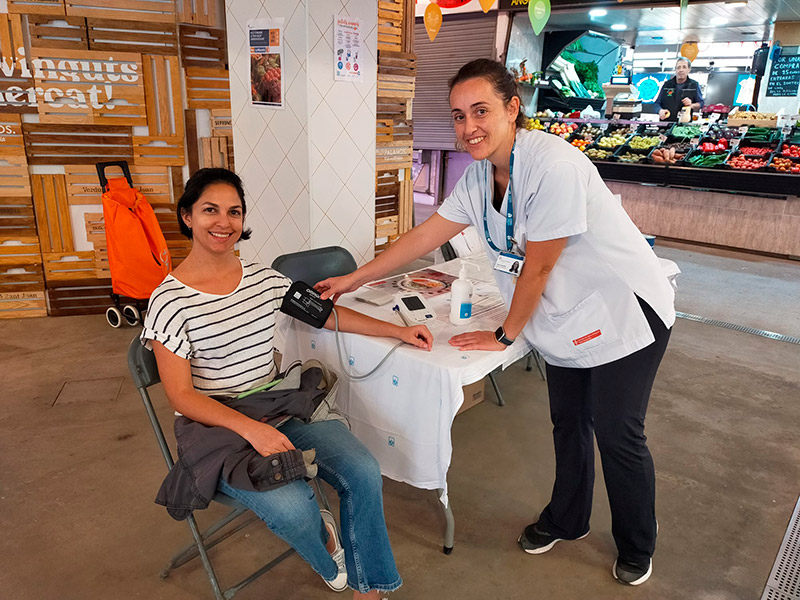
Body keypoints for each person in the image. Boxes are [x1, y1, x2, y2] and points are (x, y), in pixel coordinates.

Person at [316, 59, 676, 586]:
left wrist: (506, 333)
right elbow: (423, 236)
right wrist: (355, 277)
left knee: (619, 432)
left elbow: (540, 264)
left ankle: (638, 541)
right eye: (459, 116)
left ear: (513, 109)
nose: (469, 128)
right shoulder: (480, 176)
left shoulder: (553, 166)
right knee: (568, 423)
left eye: (480, 111)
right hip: (567, 317)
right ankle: (569, 518)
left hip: (625, 309)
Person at [140, 168, 434, 599]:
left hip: (278, 402)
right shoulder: (169, 301)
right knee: (296, 509)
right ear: (187, 216)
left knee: (364, 472)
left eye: (234, 212)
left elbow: (327, 314)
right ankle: (325, 547)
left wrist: (397, 331)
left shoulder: (264, 279)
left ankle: (368, 590)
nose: (224, 222)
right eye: (210, 210)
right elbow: (181, 396)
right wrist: (251, 430)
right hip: (216, 427)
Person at [655, 57, 704, 121]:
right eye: (678, 67)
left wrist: (691, 105)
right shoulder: (667, 85)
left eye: (684, 67)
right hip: (666, 124)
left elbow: (701, 103)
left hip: (684, 125)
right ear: (675, 70)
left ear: (688, 69)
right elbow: (657, 103)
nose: (681, 70)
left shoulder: (694, 85)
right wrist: (660, 111)